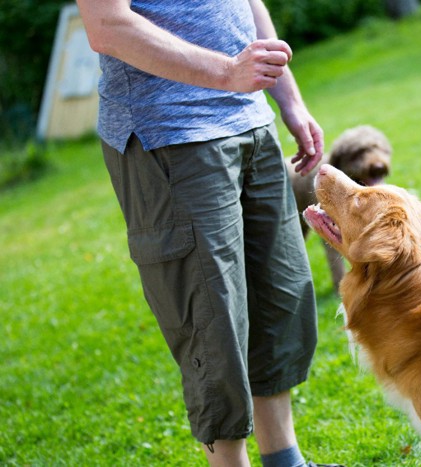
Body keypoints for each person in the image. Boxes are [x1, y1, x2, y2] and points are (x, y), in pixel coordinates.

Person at [76, 1, 336, 466]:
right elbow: (107, 25)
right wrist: (227, 72)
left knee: (278, 298)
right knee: (211, 320)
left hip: (251, 123)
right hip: (171, 135)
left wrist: (289, 99)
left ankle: (285, 461)